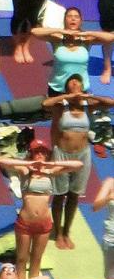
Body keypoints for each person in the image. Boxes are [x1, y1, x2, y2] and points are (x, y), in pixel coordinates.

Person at [0, 142, 82, 279]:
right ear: (32, 153)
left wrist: (51, 164)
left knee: (36, 259)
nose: (40, 155)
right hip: (25, 222)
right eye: (37, 152)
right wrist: (29, 163)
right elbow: (3, 161)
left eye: (43, 153)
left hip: (44, 223)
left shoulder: (50, 171)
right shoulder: (25, 170)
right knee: (21, 259)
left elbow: (78, 165)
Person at [44, 79, 113, 251]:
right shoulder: (62, 106)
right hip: (62, 154)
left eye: (78, 83)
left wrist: (90, 96)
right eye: (72, 84)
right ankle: (58, 232)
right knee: (59, 195)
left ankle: (67, 231)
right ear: (67, 89)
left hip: (83, 155)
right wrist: (67, 97)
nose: (75, 85)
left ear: (82, 88)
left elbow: (111, 103)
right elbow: (45, 104)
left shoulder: (88, 106)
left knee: (74, 195)